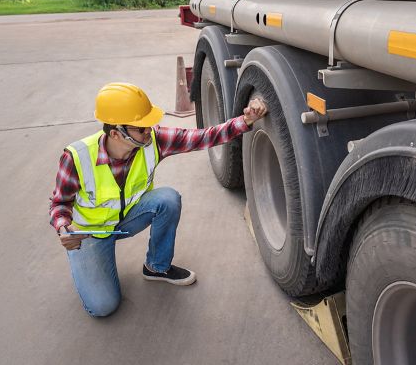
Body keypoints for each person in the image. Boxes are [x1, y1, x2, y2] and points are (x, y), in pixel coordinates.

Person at [49, 82, 268, 317]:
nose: (149, 131)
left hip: (129, 218)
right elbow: (60, 203)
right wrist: (64, 228)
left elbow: (203, 137)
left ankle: (156, 267)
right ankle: (90, 262)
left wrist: (245, 121)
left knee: (168, 199)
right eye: (141, 128)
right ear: (116, 133)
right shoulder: (77, 157)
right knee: (103, 307)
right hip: (90, 234)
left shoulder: (153, 140)